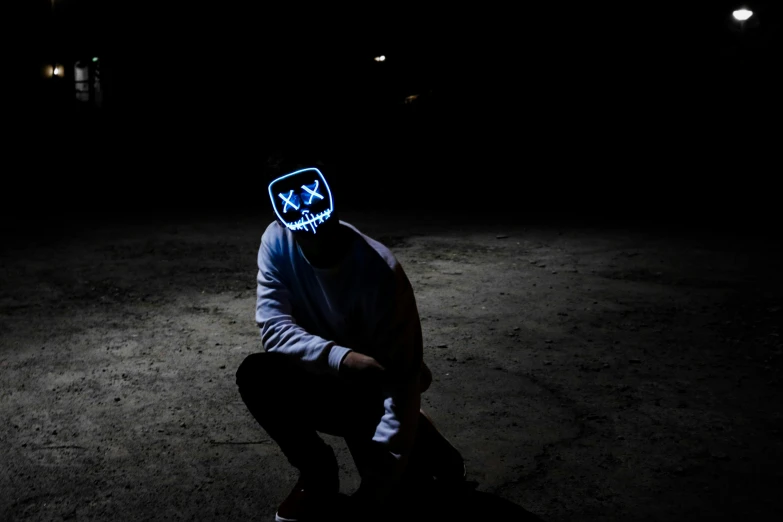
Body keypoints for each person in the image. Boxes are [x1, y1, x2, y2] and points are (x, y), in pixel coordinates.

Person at [236, 164, 465, 521]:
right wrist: (341, 359)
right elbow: (273, 327)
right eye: (300, 230)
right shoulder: (276, 241)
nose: (312, 237)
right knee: (257, 374)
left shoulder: (381, 271)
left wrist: (375, 491)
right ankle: (317, 475)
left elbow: (400, 381)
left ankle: (429, 445)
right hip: (341, 375)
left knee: (408, 495)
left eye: (322, 228)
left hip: (374, 385)